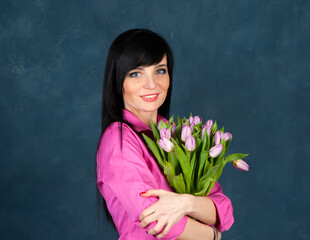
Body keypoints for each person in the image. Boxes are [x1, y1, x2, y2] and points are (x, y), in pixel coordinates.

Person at [96, 29, 234, 240]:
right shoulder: (119, 140)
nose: (152, 84)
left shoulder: (176, 135)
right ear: (117, 83)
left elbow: (224, 210)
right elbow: (155, 220)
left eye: (160, 71)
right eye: (136, 74)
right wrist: (213, 235)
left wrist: (186, 203)